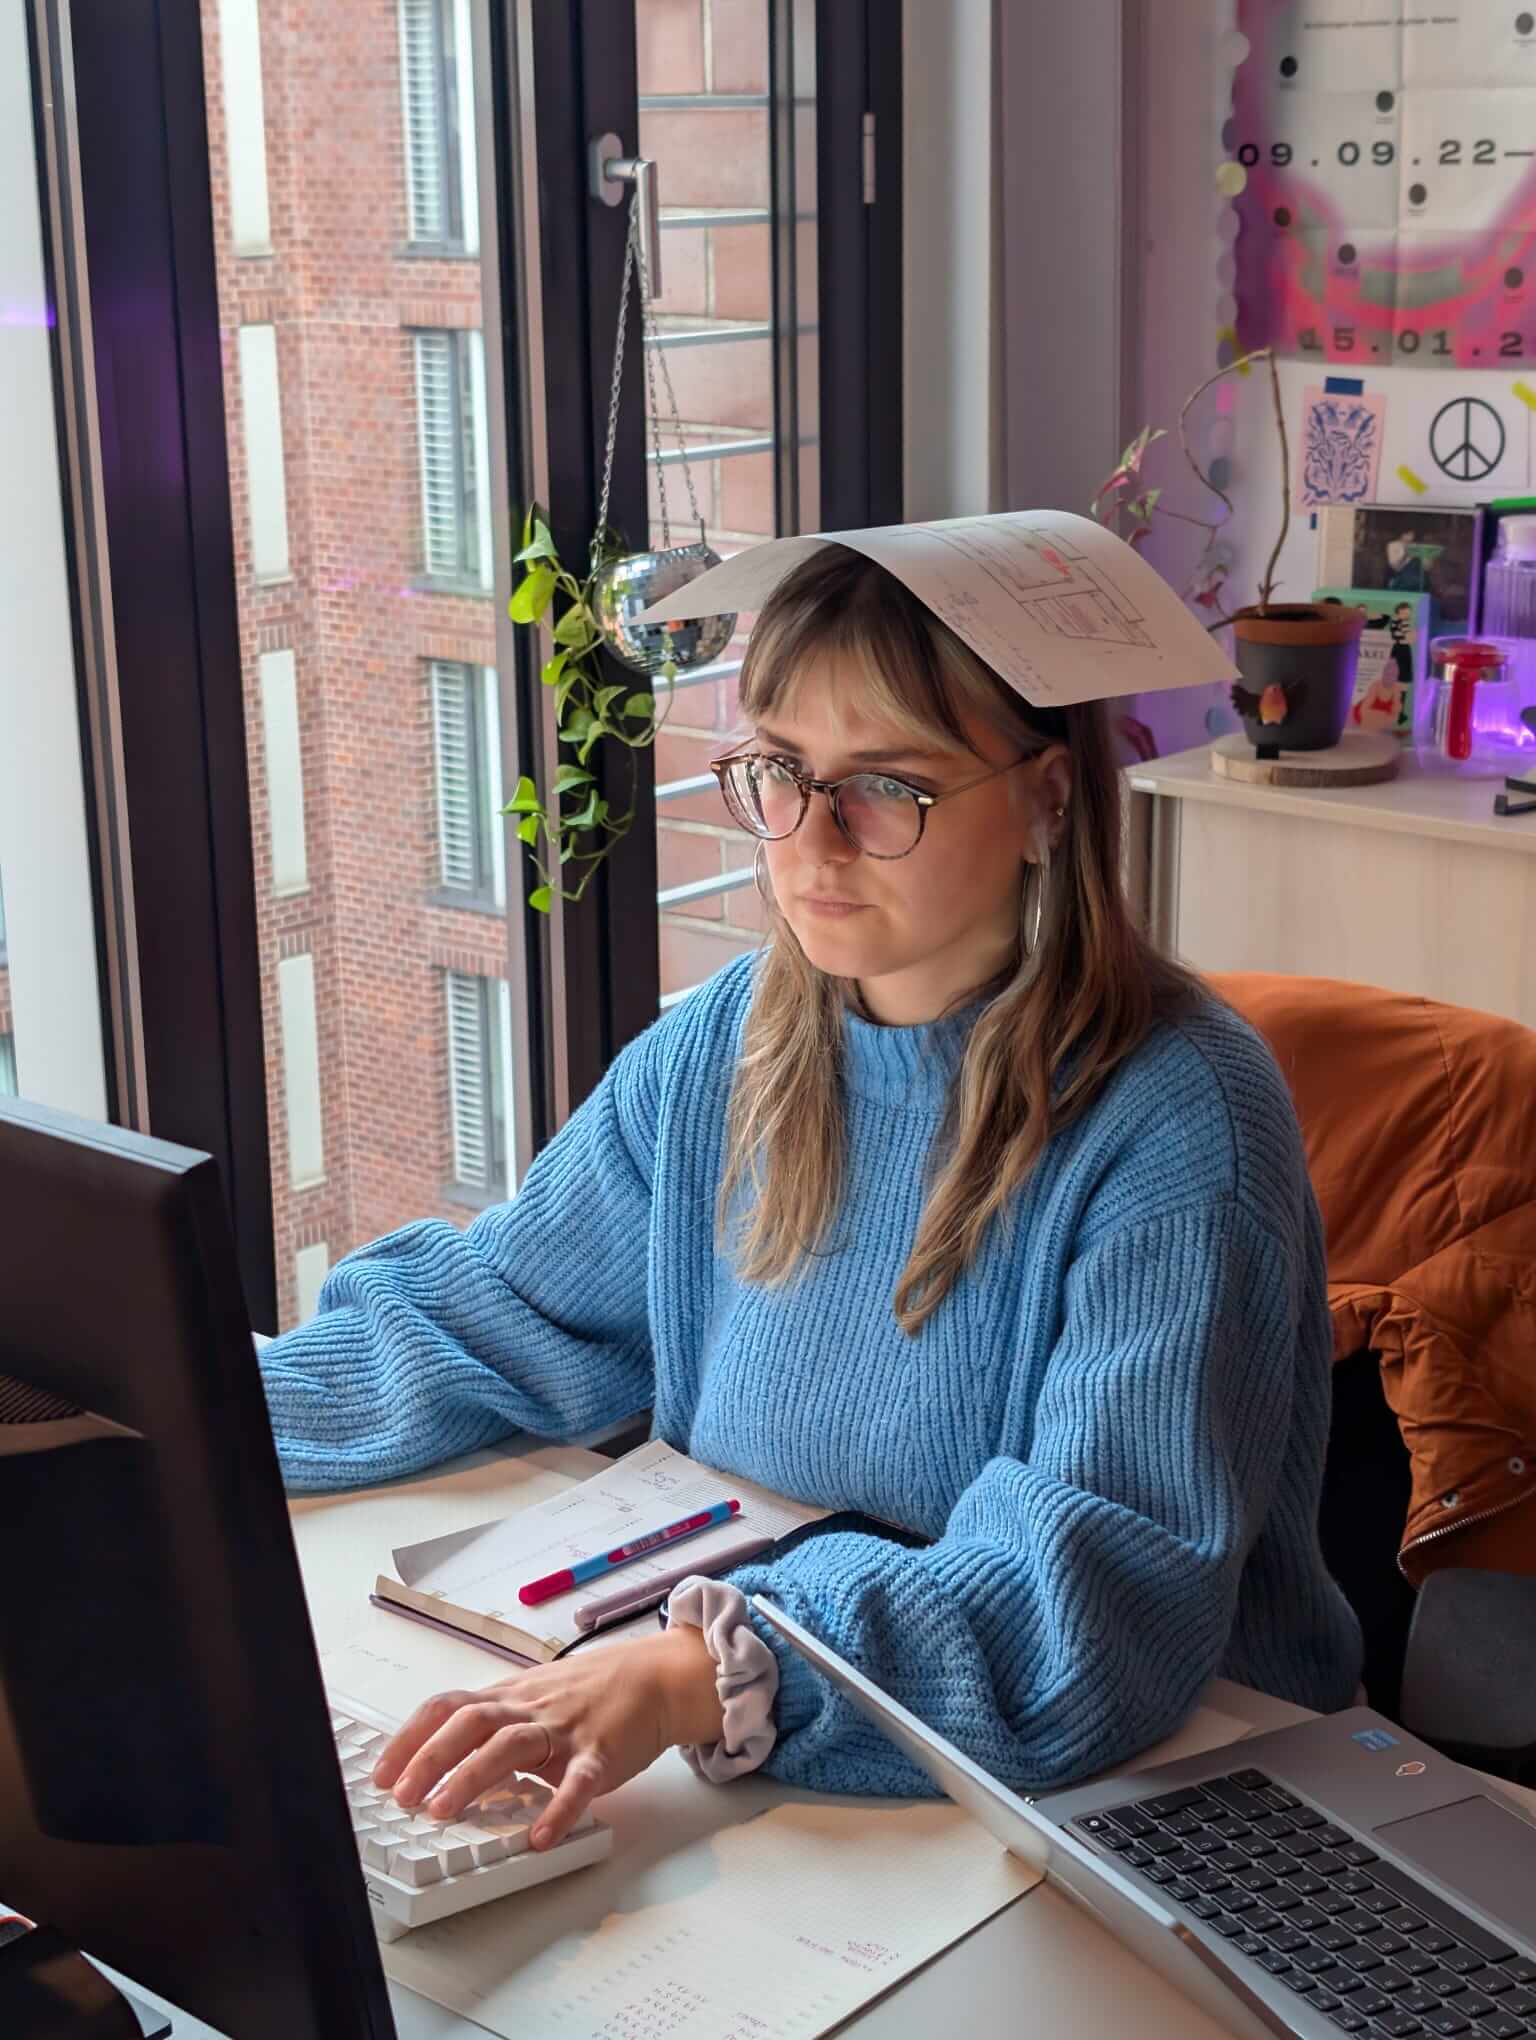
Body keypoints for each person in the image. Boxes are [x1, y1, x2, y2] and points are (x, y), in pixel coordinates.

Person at [259, 544, 1363, 1854]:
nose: (816, 843)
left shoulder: (1180, 1121)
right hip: (804, 1737)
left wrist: (701, 1672)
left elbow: (1091, 1600)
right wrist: (177, 1412)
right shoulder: (729, 1042)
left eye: (889, 786)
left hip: (1168, 1790)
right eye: (779, 773)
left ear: (1050, 800)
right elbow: (495, 1314)